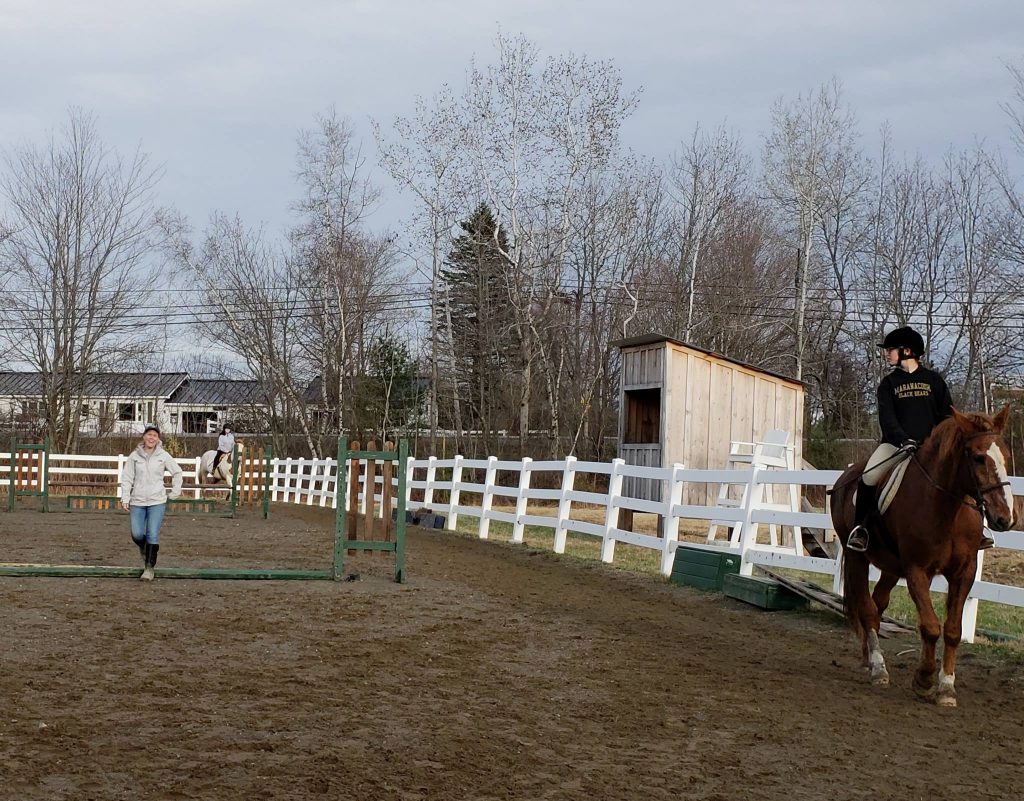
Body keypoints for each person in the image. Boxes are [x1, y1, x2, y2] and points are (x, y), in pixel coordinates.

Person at [847, 326, 992, 552]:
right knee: (869, 476)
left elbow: (947, 416)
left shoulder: (934, 380)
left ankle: (978, 530)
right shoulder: (888, 384)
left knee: (966, 474)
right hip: (896, 446)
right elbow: (887, 419)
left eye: (891, 349)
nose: (887, 353)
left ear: (906, 351)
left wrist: (941, 443)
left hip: (933, 449)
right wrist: (903, 440)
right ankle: (861, 529)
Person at [120, 424, 183, 581]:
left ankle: (149, 568)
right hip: (138, 500)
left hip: (157, 500)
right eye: (149, 435)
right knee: (136, 533)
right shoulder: (134, 457)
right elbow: (127, 478)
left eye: (155, 436)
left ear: (158, 439)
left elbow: (177, 472)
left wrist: (175, 490)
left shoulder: (163, 455)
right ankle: (144, 547)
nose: (151, 438)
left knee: (152, 534)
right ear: (144, 437)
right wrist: (125, 497)